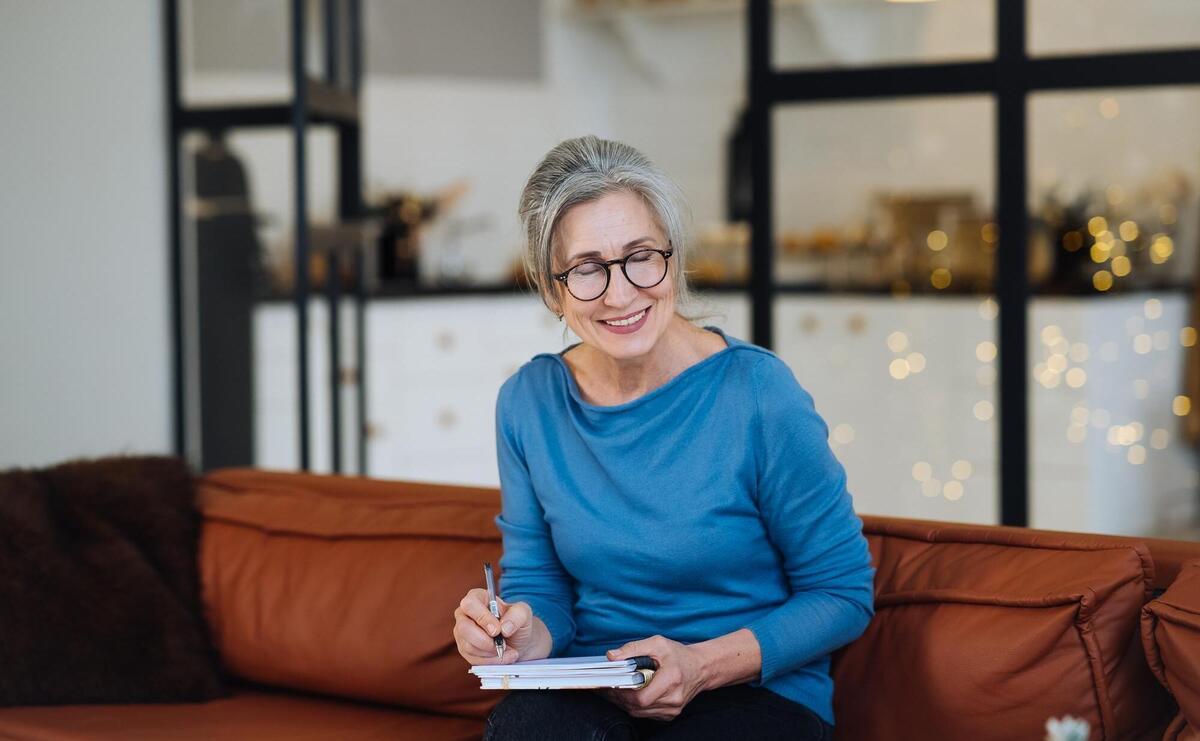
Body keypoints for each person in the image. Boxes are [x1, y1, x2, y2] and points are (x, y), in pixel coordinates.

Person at [452, 135, 875, 741]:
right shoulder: (529, 401)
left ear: (672, 260)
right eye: (587, 269)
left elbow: (842, 592)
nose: (621, 293)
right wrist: (518, 632)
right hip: (598, 683)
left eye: (640, 256)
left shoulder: (757, 392)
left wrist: (700, 666)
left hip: (748, 692)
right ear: (552, 288)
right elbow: (540, 584)